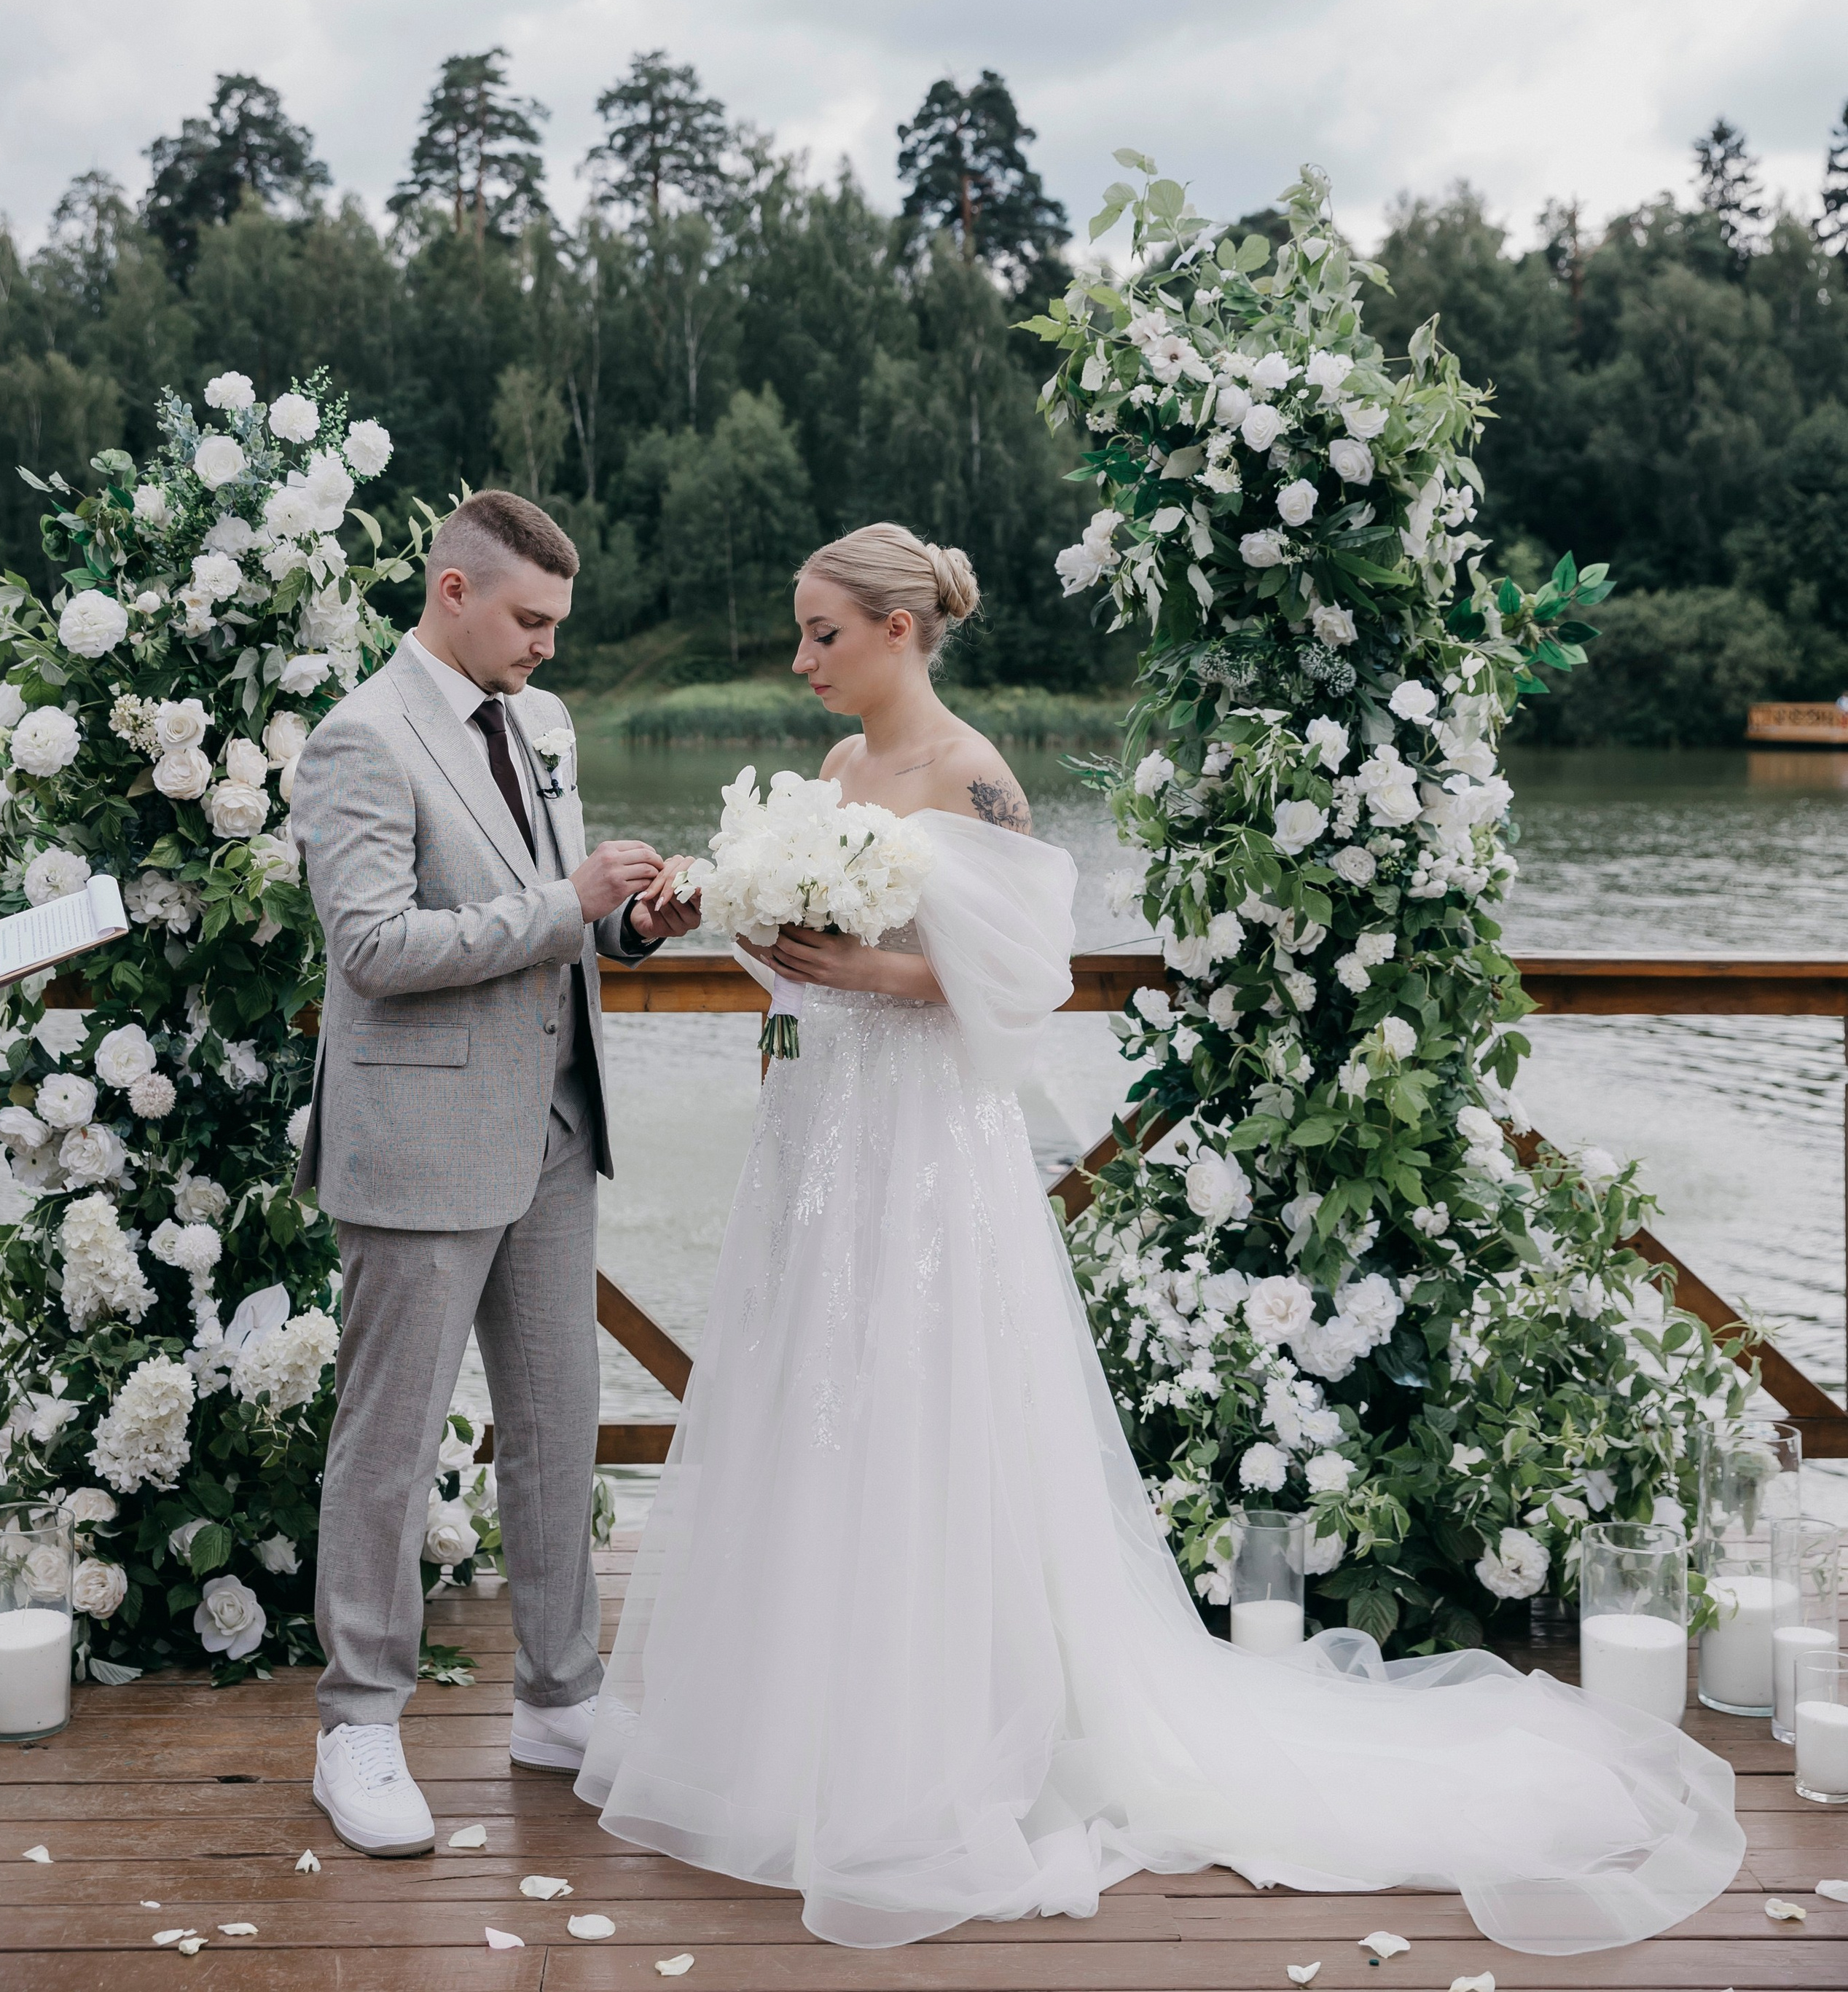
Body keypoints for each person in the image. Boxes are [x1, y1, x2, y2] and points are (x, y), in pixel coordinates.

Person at [574, 522, 1742, 1956]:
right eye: (799, 632)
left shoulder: (976, 779)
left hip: (931, 1150)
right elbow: (802, 956)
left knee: (935, 1405)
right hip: (825, 1136)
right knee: (824, 1403)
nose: (801, 658)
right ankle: (812, 1710)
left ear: (897, 631)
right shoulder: (828, 776)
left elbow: (1014, 983)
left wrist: (867, 965)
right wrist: (740, 914)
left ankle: (943, 1726)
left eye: (822, 632)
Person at [290, 488, 700, 1856]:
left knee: (557, 1427)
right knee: (390, 1448)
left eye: (559, 625)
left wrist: (629, 926)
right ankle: (359, 1724)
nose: (547, 649)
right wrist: (567, 904)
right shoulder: (361, 739)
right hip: (415, 1141)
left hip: (556, 1129)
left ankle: (559, 1698)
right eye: (530, 621)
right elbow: (375, 949)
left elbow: (558, 929)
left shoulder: (544, 724)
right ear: (452, 592)